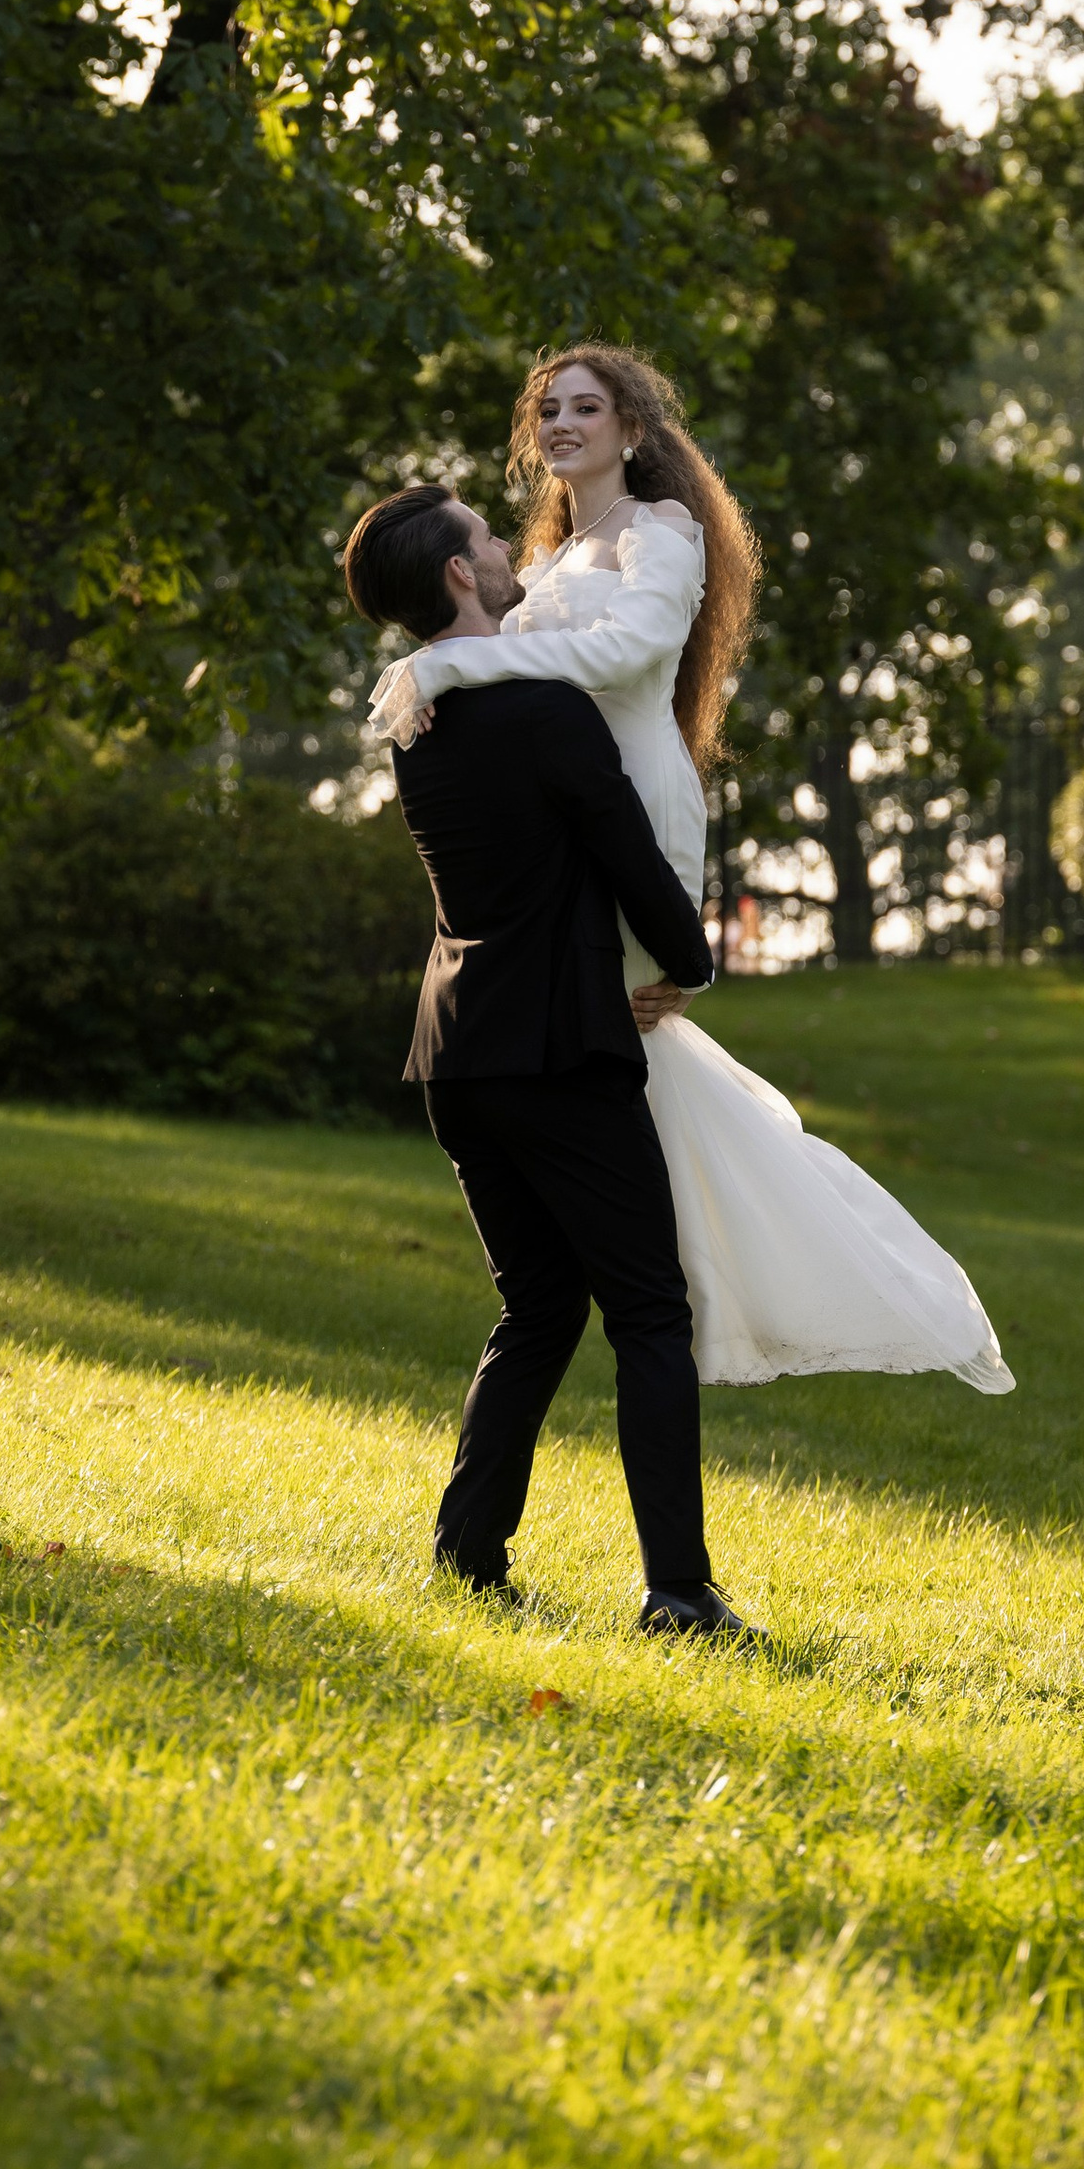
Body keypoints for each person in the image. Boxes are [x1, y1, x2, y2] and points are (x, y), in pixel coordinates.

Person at [364, 346, 1015, 1398]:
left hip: (635, 809)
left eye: (588, 406)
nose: (564, 423)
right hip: (566, 810)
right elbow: (516, 664)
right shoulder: (552, 552)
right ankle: (673, 1277)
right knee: (614, 1045)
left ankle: (694, 1288)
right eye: (549, 409)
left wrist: (445, 664)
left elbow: (625, 655)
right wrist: (446, 685)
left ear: (634, 429)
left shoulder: (662, 534)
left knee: (626, 1023)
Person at [342, 481, 758, 1640]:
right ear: (462, 579)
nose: (505, 541)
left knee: (536, 1308)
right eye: (485, 534)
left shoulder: (418, 723)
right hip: (561, 1050)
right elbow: (636, 866)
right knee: (647, 1314)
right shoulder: (548, 713)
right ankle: (678, 1591)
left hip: (455, 1056)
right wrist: (693, 964)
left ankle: (467, 1555)